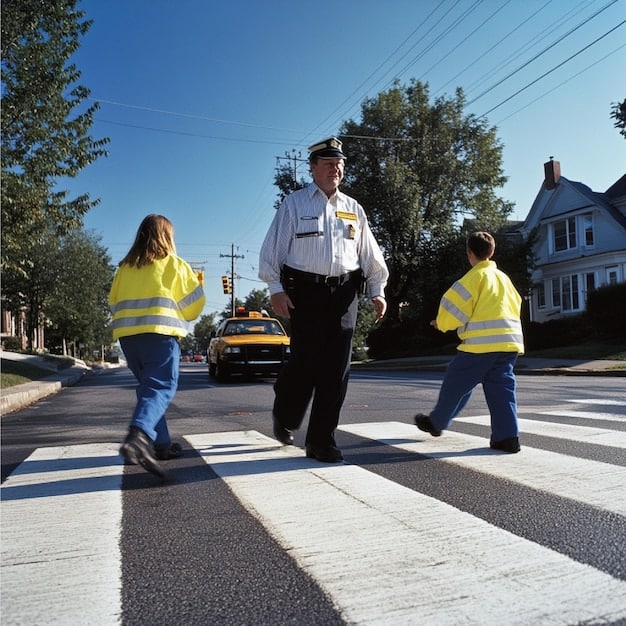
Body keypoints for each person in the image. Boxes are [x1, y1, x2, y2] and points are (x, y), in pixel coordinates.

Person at [259, 137, 389, 462]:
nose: (336, 169)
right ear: (313, 167)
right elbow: (271, 251)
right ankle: (286, 411)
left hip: (345, 294)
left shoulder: (354, 209)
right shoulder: (294, 204)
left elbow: (369, 254)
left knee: (336, 371)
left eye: (340, 164)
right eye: (329, 163)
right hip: (305, 292)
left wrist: (378, 290)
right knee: (305, 364)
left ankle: (321, 441)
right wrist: (275, 288)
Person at [109, 214, 206, 477]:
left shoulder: (124, 268)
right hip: (160, 335)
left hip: (128, 338)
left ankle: (160, 444)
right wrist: (197, 286)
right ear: (167, 237)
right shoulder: (174, 264)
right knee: (161, 386)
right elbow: (193, 308)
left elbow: (113, 301)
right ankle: (138, 436)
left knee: (149, 389)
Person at [414, 231, 524, 453]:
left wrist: (441, 323)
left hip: (480, 346)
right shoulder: (504, 279)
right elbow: (516, 303)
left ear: (469, 254)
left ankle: (437, 422)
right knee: (502, 391)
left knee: (456, 383)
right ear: (492, 253)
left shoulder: (472, 278)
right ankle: (507, 437)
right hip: (508, 345)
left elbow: (454, 308)